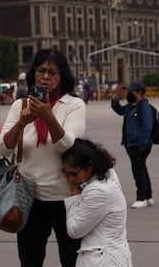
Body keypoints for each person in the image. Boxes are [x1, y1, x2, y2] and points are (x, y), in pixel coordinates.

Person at [0, 48, 86, 267]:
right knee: (30, 259)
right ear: (33, 73)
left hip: (66, 198)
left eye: (52, 72)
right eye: (41, 70)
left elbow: (67, 146)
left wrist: (47, 115)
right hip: (30, 197)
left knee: (71, 259)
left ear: (62, 76)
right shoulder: (20, 106)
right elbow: (2, 148)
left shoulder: (73, 105)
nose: (45, 77)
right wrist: (21, 123)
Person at [62, 138, 132, 267]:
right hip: (112, 255)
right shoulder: (109, 175)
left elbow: (74, 230)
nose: (70, 179)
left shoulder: (98, 191)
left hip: (103, 260)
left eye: (73, 174)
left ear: (90, 165)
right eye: (66, 174)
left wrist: (74, 194)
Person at [111, 81, 154, 209]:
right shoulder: (131, 106)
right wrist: (115, 101)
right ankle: (148, 196)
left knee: (138, 170)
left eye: (131, 92)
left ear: (139, 93)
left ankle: (141, 198)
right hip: (131, 143)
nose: (128, 94)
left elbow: (147, 127)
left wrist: (142, 144)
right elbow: (120, 111)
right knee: (142, 169)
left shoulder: (144, 107)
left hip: (139, 144)